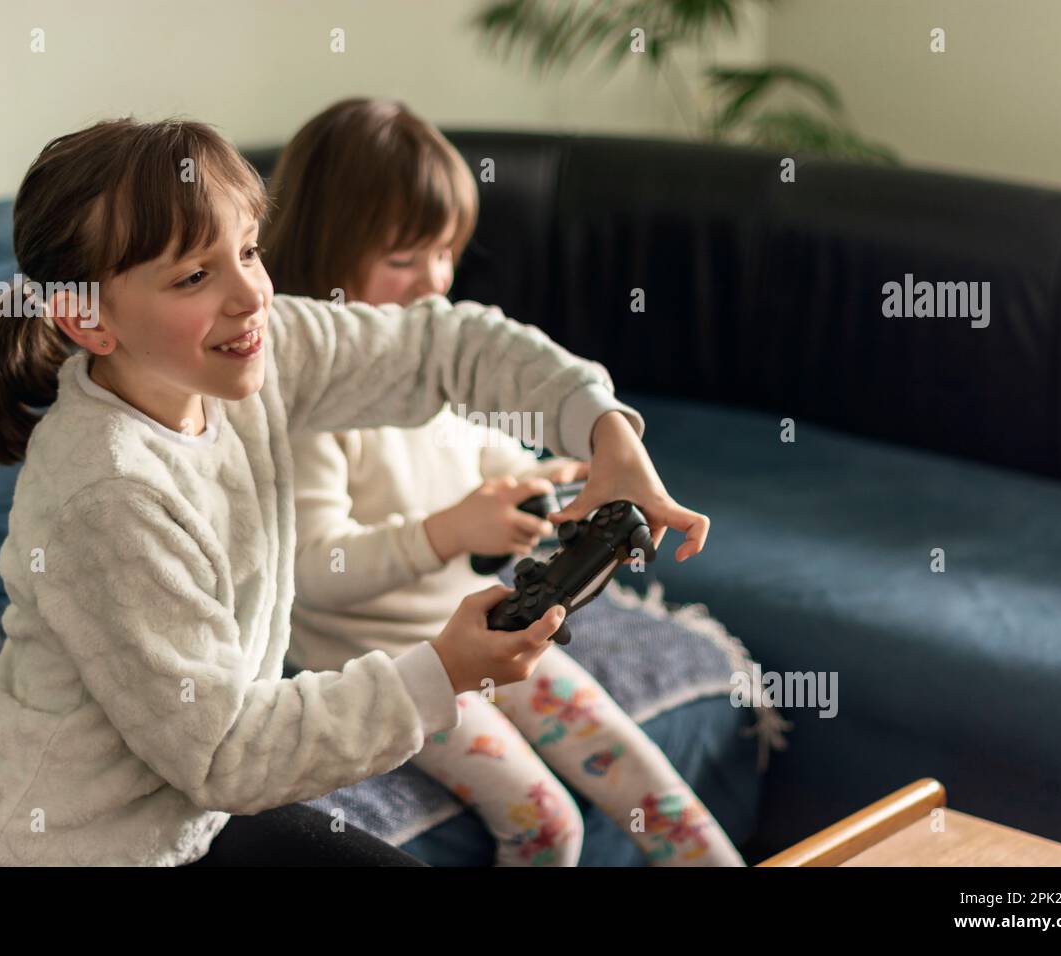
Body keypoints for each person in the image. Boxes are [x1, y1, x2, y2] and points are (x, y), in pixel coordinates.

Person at [0, 116, 709, 866]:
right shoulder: (108, 496)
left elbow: (444, 346)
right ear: (88, 320)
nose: (250, 297)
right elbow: (227, 751)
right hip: (74, 850)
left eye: (248, 251)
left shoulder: (259, 360)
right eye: (195, 276)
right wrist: (441, 672)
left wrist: (604, 429)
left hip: (191, 818)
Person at [267, 98, 745, 866]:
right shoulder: (307, 407)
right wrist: (449, 533)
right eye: (402, 259)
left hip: (483, 627)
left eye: (446, 253)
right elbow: (311, 574)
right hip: (392, 663)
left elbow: (485, 458)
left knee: (649, 784)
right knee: (546, 821)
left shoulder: (435, 364)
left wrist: (542, 481)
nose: (434, 283)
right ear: (322, 253)